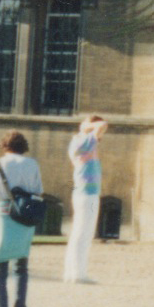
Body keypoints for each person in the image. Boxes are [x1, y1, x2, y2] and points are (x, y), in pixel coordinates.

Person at [0, 131, 41, 307]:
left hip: (2, 214)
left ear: (4, 146)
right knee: (21, 268)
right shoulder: (32, 164)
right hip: (24, 215)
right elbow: (38, 192)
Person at [63, 115, 109, 284]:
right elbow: (103, 124)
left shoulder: (78, 141)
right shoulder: (86, 140)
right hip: (88, 194)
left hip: (82, 192)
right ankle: (78, 273)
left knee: (78, 233)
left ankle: (71, 272)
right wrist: (87, 126)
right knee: (84, 234)